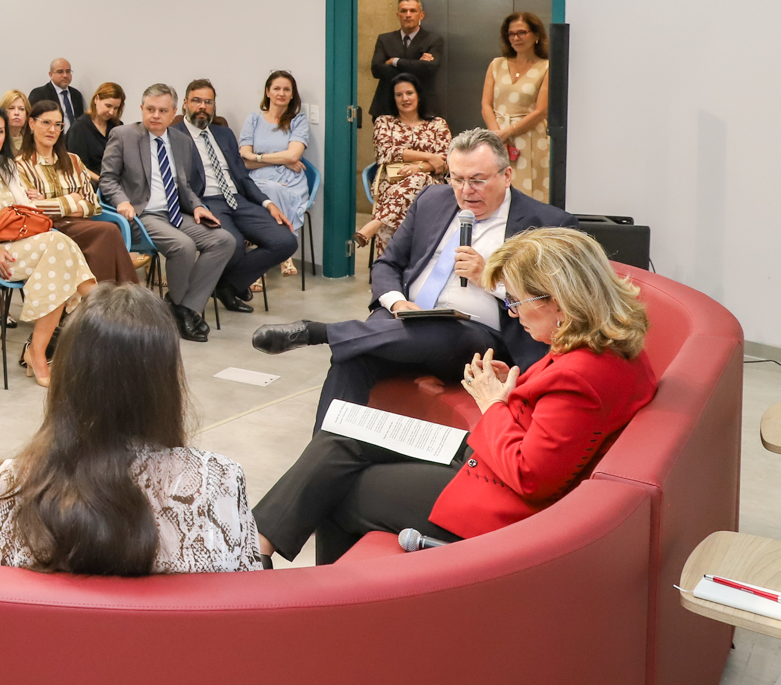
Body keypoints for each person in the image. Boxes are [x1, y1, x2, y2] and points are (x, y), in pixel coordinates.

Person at [254, 227, 656, 565]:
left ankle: (323, 598)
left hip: (501, 499)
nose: (512, 312)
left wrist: (493, 403)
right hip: (491, 459)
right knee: (344, 434)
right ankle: (255, 548)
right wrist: (514, 391)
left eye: (516, 301)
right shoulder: (606, 345)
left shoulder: (582, 375)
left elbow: (530, 477)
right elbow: (554, 411)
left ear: (561, 303)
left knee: (335, 490)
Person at [253, 129, 579, 423]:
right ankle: (326, 455)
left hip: (477, 337)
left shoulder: (547, 224)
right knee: (351, 359)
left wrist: (489, 279)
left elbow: (558, 302)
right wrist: (397, 304)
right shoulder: (431, 200)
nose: (466, 191)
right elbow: (387, 264)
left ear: (506, 175)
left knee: (444, 330)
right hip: (404, 321)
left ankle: (319, 332)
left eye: (478, 180)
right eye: (456, 179)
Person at [0, 285, 259, 572]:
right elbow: (246, 591)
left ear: (68, 375)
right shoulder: (217, 481)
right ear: (165, 381)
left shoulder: (10, 486)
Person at [0, 106, 95, 382]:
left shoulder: (8, 166)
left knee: (58, 255)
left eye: (0, 132)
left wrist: (37, 203)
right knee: (59, 248)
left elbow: (23, 210)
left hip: (20, 244)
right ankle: (98, 306)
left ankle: (39, 351)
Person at [98, 85, 233, 342]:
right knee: (183, 246)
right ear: (141, 109)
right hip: (141, 214)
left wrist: (197, 206)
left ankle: (183, 308)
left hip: (175, 213)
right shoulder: (123, 135)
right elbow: (108, 179)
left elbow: (185, 186)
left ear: (174, 112)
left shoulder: (181, 141)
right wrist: (122, 201)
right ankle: (183, 312)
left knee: (224, 240)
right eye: (150, 109)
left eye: (162, 111)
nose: (155, 115)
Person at [179, 81, 297, 313]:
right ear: (185, 103)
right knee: (233, 244)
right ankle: (225, 287)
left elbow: (243, 177)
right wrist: (195, 205)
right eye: (196, 101)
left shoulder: (224, 134)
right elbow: (179, 183)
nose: (202, 106)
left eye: (208, 102)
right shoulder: (175, 135)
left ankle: (227, 285)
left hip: (237, 199)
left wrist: (268, 203)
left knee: (286, 241)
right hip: (206, 201)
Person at [19, 100, 137, 287]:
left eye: (58, 125)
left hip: (80, 224)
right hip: (48, 231)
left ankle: (107, 298)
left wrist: (53, 203)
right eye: (46, 123)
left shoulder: (73, 160)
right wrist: (73, 198)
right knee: (108, 231)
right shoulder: (20, 165)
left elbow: (93, 204)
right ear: (32, 124)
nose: (52, 130)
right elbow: (32, 209)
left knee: (109, 230)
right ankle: (118, 296)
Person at [353, 74, 451, 255]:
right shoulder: (384, 122)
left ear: (418, 95)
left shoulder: (437, 124)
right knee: (408, 200)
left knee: (419, 179)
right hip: (391, 183)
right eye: (399, 95)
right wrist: (429, 157)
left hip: (432, 186)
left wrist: (418, 168)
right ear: (393, 98)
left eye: (409, 93)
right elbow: (385, 152)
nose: (405, 98)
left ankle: (377, 225)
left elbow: (446, 160)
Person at [238, 70, 313, 264]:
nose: (281, 93)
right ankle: (284, 249)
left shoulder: (298, 121)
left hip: (290, 181)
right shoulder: (253, 120)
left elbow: (294, 155)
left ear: (292, 94)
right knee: (269, 189)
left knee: (276, 190)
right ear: (268, 92)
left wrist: (258, 157)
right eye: (277, 88)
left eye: (287, 89)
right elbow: (244, 160)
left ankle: (268, 251)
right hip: (257, 178)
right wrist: (283, 159)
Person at [483, 11, 552, 201]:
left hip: (530, 137)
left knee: (531, 193)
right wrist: (497, 135)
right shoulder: (496, 64)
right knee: (498, 190)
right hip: (498, 136)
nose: (516, 38)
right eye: (511, 34)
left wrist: (509, 132)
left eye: (522, 33)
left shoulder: (546, 67)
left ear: (536, 35)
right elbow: (486, 104)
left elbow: (541, 111)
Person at [369, 0, 445, 119]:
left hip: (424, 108)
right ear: (398, 15)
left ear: (421, 15)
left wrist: (395, 61)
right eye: (404, 11)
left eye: (413, 11)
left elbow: (431, 68)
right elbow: (376, 70)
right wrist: (418, 64)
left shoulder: (433, 40)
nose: (408, 15)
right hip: (386, 106)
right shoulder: (385, 39)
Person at [69, 83, 124, 175]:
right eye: (108, 106)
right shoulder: (79, 128)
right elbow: (79, 166)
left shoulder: (117, 126)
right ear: (96, 99)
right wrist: (102, 180)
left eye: (116, 108)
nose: (111, 112)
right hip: (92, 179)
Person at [28, 58, 85, 130]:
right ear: (51, 74)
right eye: (60, 72)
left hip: (75, 135)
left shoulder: (76, 95)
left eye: (68, 71)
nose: (65, 75)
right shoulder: (39, 94)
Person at [0, 90, 32, 159]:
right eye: (11, 108)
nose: (16, 113)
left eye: (21, 109)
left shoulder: (32, 141)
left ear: (27, 114)